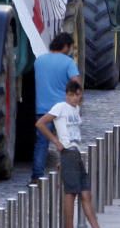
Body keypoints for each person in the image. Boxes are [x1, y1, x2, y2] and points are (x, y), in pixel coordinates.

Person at [36, 80, 100, 228]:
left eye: (77, 95)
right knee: (71, 193)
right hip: (67, 151)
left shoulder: (77, 109)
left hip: (75, 153)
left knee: (85, 193)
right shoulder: (60, 107)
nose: (74, 98)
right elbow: (40, 123)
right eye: (71, 95)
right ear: (66, 95)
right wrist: (55, 141)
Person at [32, 32, 81, 182]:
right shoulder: (68, 62)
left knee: (41, 143)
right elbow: (76, 83)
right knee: (66, 142)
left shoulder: (39, 61)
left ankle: (37, 176)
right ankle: (67, 173)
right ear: (65, 46)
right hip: (62, 109)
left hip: (42, 109)